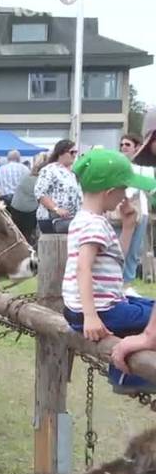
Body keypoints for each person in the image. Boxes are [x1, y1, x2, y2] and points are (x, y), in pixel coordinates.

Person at [61, 148, 156, 394]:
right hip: (101, 310)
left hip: (92, 308)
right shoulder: (94, 224)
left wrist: (127, 227)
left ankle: (125, 373)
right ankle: (132, 378)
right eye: (124, 190)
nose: (126, 196)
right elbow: (84, 267)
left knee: (149, 307)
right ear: (110, 192)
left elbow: (115, 262)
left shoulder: (85, 220)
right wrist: (91, 316)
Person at [116, 133, 150, 284]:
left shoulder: (144, 167)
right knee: (118, 249)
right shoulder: (115, 164)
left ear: (137, 147)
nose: (123, 147)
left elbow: (149, 187)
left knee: (134, 250)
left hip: (140, 210)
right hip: (119, 211)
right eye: (122, 144)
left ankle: (127, 282)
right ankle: (116, 281)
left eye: (127, 144)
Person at [34, 139, 82, 234]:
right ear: (61, 153)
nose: (74, 155)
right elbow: (40, 193)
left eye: (76, 152)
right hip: (52, 219)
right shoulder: (49, 170)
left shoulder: (72, 173)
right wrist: (56, 209)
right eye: (72, 152)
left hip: (70, 218)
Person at [8, 153, 48, 243]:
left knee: (19, 235)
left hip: (15, 208)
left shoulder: (27, 176)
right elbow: (45, 198)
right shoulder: (39, 180)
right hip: (27, 212)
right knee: (27, 235)